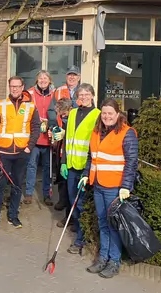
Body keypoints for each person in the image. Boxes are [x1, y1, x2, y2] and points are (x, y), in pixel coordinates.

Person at [82, 99, 139, 279]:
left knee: (113, 225)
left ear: (117, 114)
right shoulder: (97, 131)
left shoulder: (127, 133)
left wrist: (126, 186)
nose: (107, 116)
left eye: (110, 114)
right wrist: (85, 174)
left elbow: (131, 162)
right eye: (104, 113)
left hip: (114, 187)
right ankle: (103, 258)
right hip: (98, 184)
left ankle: (114, 261)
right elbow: (92, 157)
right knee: (102, 222)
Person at [0, 76, 40, 230]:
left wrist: (29, 147)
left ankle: (13, 216)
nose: (15, 89)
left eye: (17, 86)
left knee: (17, 186)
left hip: (22, 152)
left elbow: (36, 127)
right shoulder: (1, 105)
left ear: (23, 87)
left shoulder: (31, 106)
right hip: (3, 152)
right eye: (12, 86)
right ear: (9, 87)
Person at [60, 84, 101, 255]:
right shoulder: (74, 113)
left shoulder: (98, 115)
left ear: (92, 95)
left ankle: (81, 240)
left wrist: (89, 168)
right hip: (71, 166)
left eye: (86, 94)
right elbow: (67, 140)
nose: (83, 97)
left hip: (86, 168)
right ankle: (79, 229)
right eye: (80, 94)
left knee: (82, 203)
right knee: (73, 201)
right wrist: (63, 161)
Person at [25, 70, 55, 206]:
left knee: (48, 168)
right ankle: (29, 193)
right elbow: (24, 112)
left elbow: (58, 113)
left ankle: (47, 194)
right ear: (37, 80)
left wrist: (51, 123)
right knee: (31, 166)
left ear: (50, 80)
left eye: (45, 78)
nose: (43, 80)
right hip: (34, 137)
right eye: (40, 78)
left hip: (48, 137)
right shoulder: (30, 93)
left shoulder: (55, 94)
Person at [51, 98, 73, 225]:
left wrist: (66, 134)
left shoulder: (73, 119)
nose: (62, 116)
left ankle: (69, 218)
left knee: (69, 188)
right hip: (61, 154)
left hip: (70, 158)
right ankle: (62, 202)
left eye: (64, 114)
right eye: (60, 114)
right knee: (61, 182)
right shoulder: (64, 119)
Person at [47, 66, 82, 130]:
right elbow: (51, 110)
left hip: (78, 129)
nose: (71, 77)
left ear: (79, 78)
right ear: (66, 77)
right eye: (69, 74)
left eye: (74, 75)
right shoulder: (58, 90)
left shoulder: (84, 92)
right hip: (61, 128)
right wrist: (54, 127)